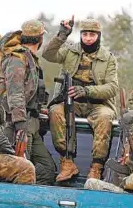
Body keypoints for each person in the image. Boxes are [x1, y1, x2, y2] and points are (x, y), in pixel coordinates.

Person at [42, 18, 119, 181]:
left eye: (92, 35)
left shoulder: (108, 58)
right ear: (80, 35)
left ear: (98, 36)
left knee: (105, 118)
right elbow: (48, 54)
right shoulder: (70, 51)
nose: (88, 38)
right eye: (85, 34)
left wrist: (87, 90)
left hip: (97, 104)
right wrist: (62, 35)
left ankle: (96, 169)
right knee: (55, 112)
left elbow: (112, 88)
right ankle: (67, 163)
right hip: (71, 102)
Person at [0, 19, 56, 185]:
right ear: (40, 39)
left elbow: (29, 94)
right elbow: (15, 94)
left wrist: (39, 110)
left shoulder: (30, 59)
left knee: (46, 169)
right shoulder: (17, 59)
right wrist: (20, 127)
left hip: (31, 124)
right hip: (19, 126)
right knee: (23, 172)